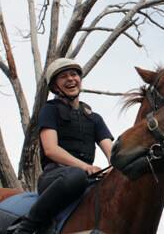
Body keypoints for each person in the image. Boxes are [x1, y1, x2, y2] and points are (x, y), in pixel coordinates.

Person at [11, 58, 113, 234]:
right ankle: (26, 226)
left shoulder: (95, 118)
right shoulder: (49, 110)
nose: (70, 79)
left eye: (73, 74)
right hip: (56, 177)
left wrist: (115, 168)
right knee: (76, 175)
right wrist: (84, 167)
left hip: (88, 177)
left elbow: (112, 153)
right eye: (63, 76)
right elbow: (51, 149)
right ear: (55, 87)